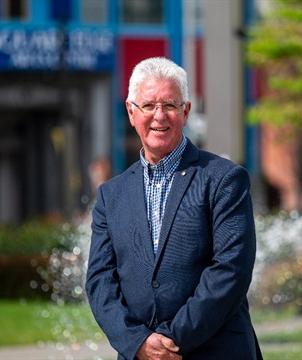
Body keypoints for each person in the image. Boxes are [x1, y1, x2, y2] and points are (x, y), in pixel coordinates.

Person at [85, 57, 263, 360]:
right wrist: (138, 343)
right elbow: (100, 281)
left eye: (170, 105)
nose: (159, 116)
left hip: (216, 351)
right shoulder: (110, 195)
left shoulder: (224, 179)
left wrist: (170, 340)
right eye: (148, 105)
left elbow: (230, 270)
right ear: (130, 111)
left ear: (186, 111)